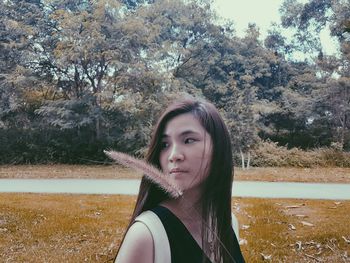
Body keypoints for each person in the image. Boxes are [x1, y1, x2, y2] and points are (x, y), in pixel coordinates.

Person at [115, 96, 245, 263]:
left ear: (219, 148)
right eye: (164, 144)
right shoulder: (146, 236)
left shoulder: (228, 223)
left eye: (188, 140)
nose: (174, 155)